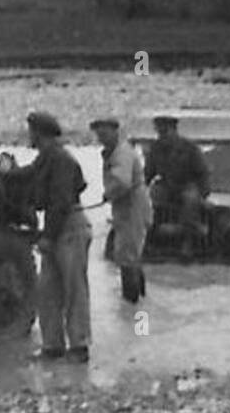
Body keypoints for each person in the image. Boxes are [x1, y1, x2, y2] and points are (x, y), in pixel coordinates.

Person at [24, 110, 91, 361]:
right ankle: (52, 345)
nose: (28, 135)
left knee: (74, 289)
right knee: (47, 291)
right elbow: (27, 178)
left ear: (40, 134)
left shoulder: (60, 160)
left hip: (69, 226)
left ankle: (79, 346)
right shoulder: (47, 158)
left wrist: (48, 237)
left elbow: (60, 202)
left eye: (31, 131)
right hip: (57, 227)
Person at [91, 116, 150, 302]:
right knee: (130, 254)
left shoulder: (122, 153)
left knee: (127, 257)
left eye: (104, 133)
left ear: (116, 131)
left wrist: (109, 194)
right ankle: (139, 304)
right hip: (126, 205)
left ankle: (132, 303)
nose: (101, 138)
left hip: (132, 205)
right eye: (99, 135)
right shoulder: (113, 152)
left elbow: (123, 182)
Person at [144, 113, 210, 257]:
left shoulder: (190, 148)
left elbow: (203, 173)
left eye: (165, 131)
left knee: (190, 198)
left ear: (174, 130)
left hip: (188, 184)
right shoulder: (155, 148)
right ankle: (152, 234)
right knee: (154, 193)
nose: (162, 136)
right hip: (167, 185)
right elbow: (148, 173)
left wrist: (203, 195)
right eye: (159, 132)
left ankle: (188, 240)